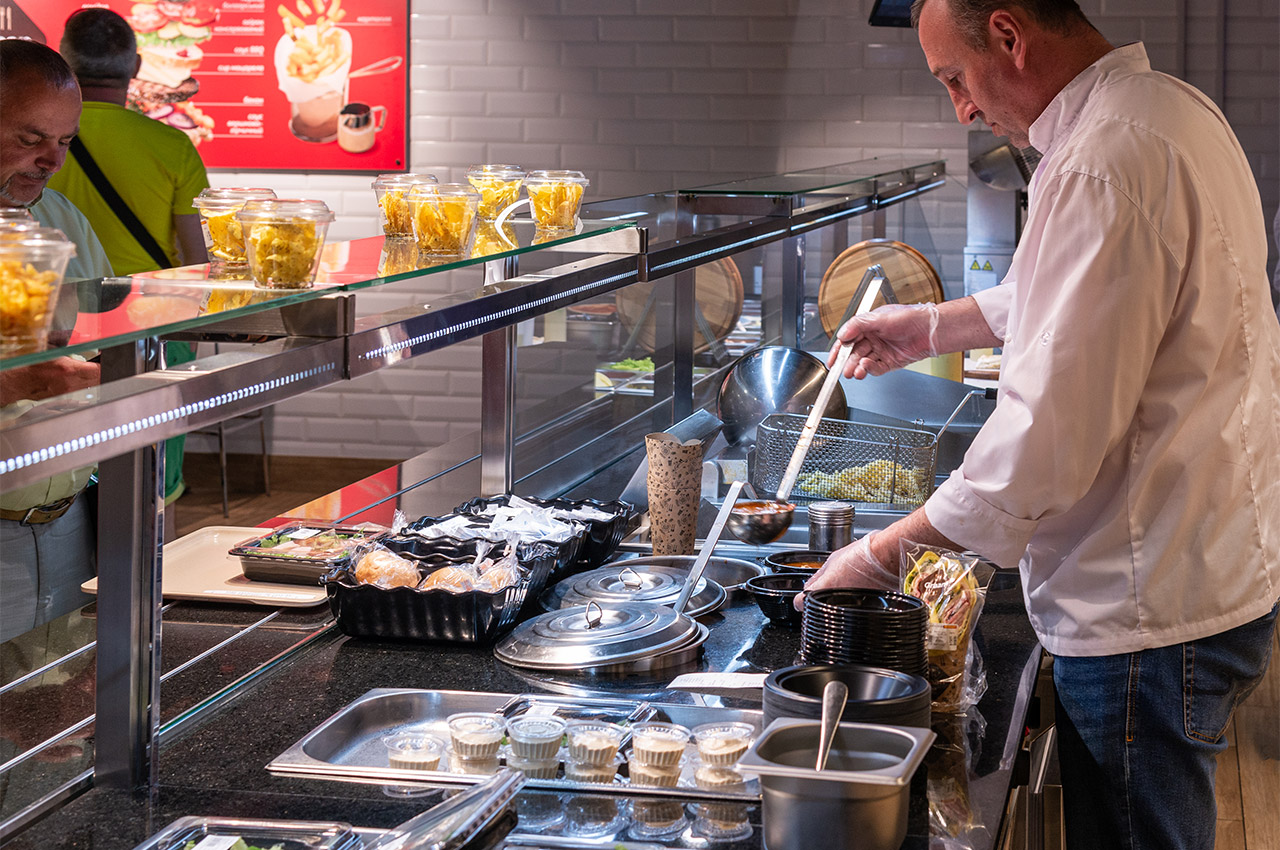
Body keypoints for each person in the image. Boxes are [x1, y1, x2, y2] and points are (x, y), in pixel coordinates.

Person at [800, 2, 1280, 848]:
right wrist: (931, 328)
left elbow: (1042, 444)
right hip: (1211, 565)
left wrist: (880, 555)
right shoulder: (1171, 111)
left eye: (956, 77)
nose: (963, 108)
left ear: (1010, 36)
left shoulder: (1103, 158)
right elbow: (1070, 293)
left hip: (1145, 610)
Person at [51, 7, 211, 521]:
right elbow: (196, 259)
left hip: (61, 324)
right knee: (152, 483)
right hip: (153, 320)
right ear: (135, 66)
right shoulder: (173, 145)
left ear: (63, 64)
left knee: (58, 465)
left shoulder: (43, 144)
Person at [0, 39, 113, 643]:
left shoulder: (64, 219)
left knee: (60, 689)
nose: (52, 160)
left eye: (66, 142)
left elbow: (109, 331)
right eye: (31, 138)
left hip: (68, 519)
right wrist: (26, 381)